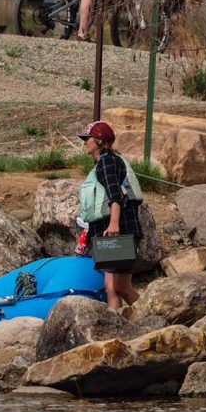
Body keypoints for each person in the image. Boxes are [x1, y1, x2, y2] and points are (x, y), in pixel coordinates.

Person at [77, 120, 143, 310]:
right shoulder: (105, 162)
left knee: (120, 286)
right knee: (111, 287)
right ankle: (115, 328)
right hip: (111, 233)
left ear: (98, 140)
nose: (84, 143)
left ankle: (151, 317)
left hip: (119, 231)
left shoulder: (107, 162)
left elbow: (115, 195)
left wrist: (114, 224)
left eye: (87, 138)